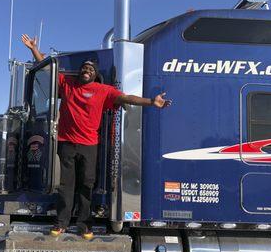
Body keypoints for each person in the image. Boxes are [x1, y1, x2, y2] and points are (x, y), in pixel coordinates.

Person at [21, 33, 171, 240]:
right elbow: (47, 70)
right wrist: (33, 49)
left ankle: (84, 225)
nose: (86, 71)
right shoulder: (67, 85)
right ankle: (61, 223)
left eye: (91, 69)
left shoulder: (104, 90)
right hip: (66, 143)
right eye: (84, 68)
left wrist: (151, 101)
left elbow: (127, 98)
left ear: (95, 74)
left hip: (89, 145)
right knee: (66, 186)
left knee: (86, 186)